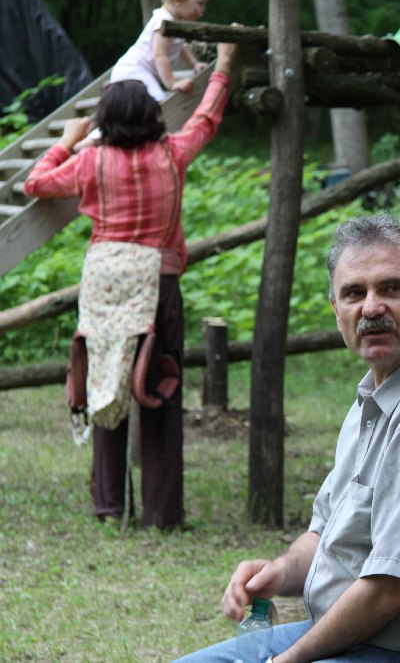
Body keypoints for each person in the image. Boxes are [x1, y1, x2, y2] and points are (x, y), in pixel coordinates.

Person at [176, 214, 400, 662]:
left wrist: (286, 660)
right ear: (336, 308)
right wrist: (278, 572)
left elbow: (390, 589)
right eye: (353, 293)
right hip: (362, 639)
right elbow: (325, 533)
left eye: (392, 288)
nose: (371, 308)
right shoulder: (378, 395)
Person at [23, 41, 239, 529]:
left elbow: (35, 184)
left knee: (106, 381)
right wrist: (223, 65)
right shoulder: (172, 153)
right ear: (152, 117)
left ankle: (110, 504)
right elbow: (205, 118)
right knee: (160, 383)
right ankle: (162, 514)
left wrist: (66, 140)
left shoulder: (90, 162)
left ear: (106, 121)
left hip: (104, 285)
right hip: (159, 283)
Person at [111, 0, 213, 102]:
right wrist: (171, 83)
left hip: (139, 73)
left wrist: (194, 63)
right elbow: (160, 56)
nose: (203, 9)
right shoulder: (163, 21)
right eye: (200, 3)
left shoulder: (174, 21)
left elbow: (180, 46)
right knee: (159, 100)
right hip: (132, 71)